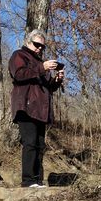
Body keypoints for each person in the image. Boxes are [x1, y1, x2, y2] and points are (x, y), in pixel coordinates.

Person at [8, 29, 64, 188]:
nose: (39, 48)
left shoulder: (41, 64)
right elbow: (19, 74)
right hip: (25, 107)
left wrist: (57, 81)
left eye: (42, 47)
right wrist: (42, 68)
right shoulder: (19, 55)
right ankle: (28, 181)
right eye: (36, 44)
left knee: (40, 146)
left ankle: (38, 181)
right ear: (28, 42)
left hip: (40, 110)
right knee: (30, 143)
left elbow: (48, 88)